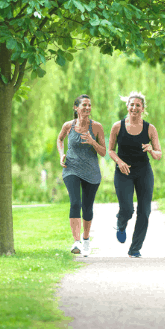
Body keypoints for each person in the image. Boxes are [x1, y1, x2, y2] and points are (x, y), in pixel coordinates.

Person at [107, 91, 162, 258]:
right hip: (123, 172)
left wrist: (152, 150)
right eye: (132, 105)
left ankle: (135, 249)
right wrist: (120, 162)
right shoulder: (117, 126)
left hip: (143, 172)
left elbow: (159, 154)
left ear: (143, 108)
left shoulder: (150, 128)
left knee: (144, 211)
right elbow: (110, 150)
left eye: (138, 105)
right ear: (127, 107)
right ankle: (121, 223)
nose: (134, 108)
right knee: (127, 209)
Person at [57, 94, 106, 256]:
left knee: (87, 207)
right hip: (71, 168)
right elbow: (60, 139)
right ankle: (76, 241)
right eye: (84, 105)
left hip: (91, 171)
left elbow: (104, 152)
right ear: (76, 108)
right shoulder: (68, 126)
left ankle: (86, 240)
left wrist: (93, 142)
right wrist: (61, 155)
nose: (87, 108)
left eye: (89, 105)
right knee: (75, 203)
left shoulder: (97, 127)